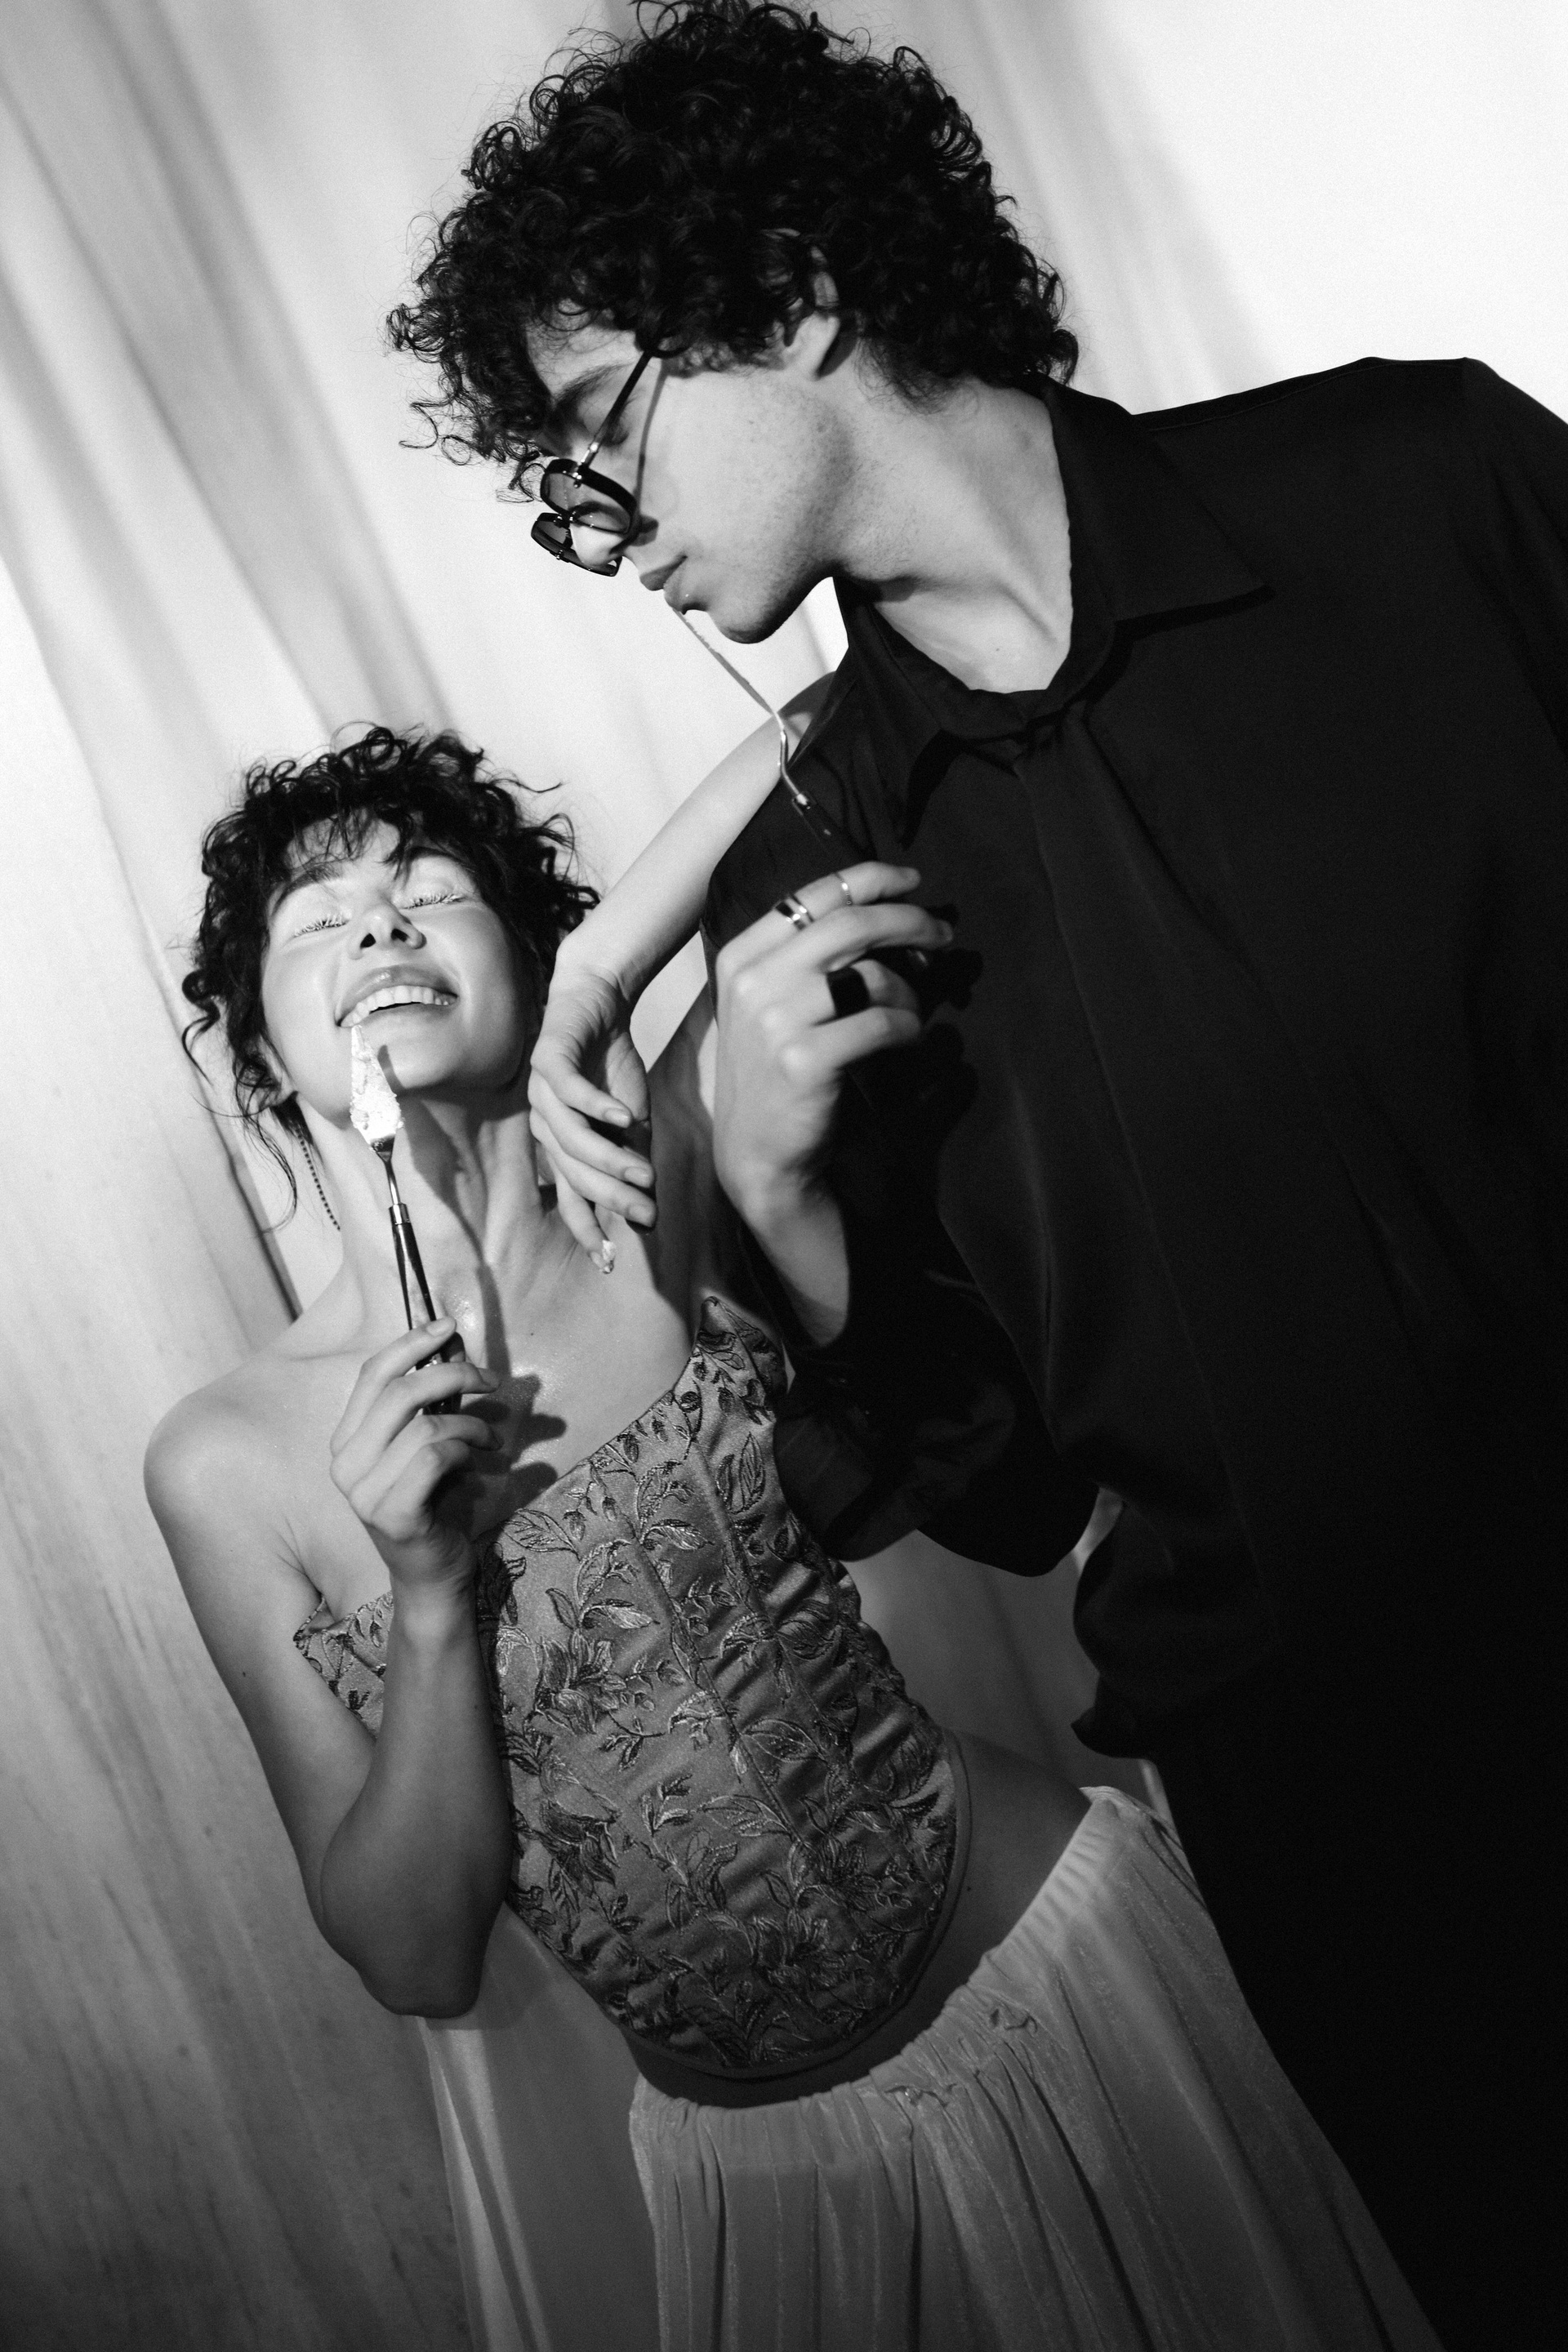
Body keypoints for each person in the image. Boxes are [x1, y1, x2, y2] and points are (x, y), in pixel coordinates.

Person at [386, 6, 1567, 2343]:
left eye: (606, 421)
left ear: (797, 285)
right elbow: (1010, 1494)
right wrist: (783, 1207)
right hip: (1372, 1863)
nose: (600, 526)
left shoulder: (1419, 489)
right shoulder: (801, 908)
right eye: (558, 483)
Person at [145, 725, 1438, 2352]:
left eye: (431, 888)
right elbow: (417, 1956)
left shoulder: (667, 1196)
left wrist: (607, 973)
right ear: (265, 1063)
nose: (383, 924)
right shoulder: (229, 1462)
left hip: (1087, 1972)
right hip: (792, 2196)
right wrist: (422, 1595)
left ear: (527, 968)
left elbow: (841, 712)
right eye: (318, 918)